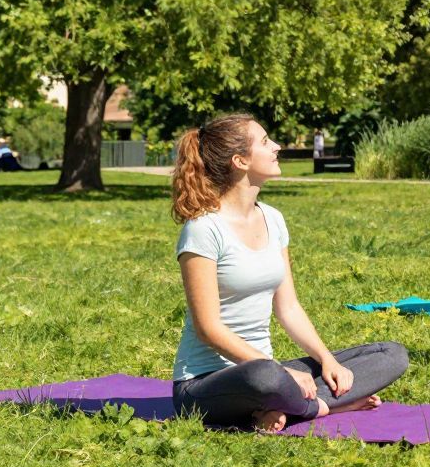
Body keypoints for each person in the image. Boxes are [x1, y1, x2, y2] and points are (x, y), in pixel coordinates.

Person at [170, 114, 409, 430]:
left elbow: (289, 307)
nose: (277, 147)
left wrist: (327, 360)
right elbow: (208, 329)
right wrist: (280, 372)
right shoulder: (203, 229)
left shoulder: (273, 218)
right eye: (265, 142)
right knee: (264, 376)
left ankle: (279, 405)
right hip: (206, 384)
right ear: (240, 161)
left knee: (391, 354)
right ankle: (320, 406)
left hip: (268, 370)